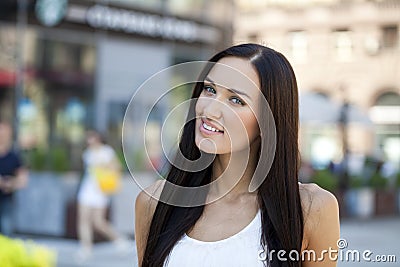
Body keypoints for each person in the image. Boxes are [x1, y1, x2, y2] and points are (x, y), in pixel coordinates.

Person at [135, 44, 340, 267]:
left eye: (236, 100)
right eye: (210, 89)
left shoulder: (310, 208)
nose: (209, 110)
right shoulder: (154, 202)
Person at [76, 130, 129, 261]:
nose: (90, 141)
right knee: (83, 219)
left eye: (92, 138)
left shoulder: (107, 151)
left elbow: (117, 167)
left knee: (98, 222)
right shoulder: (87, 154)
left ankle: (119, 239)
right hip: (87, 190)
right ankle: (85, 248)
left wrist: (103, 165)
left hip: (101, 191)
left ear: (98, 138)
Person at [0, 120, 28, 236]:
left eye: (5, 133)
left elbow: (24, 180)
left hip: (6, 200)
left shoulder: (14, 157)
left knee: (6, 232)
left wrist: (11, 183)